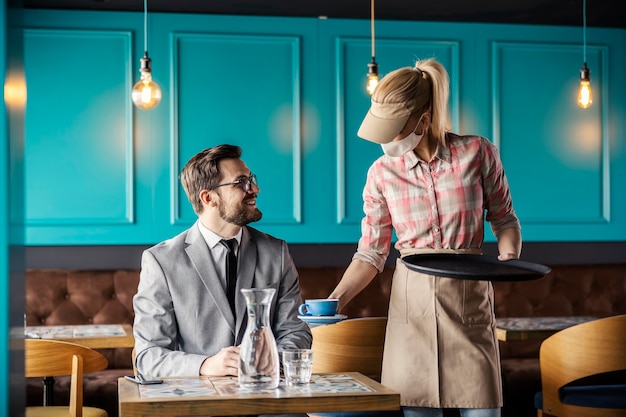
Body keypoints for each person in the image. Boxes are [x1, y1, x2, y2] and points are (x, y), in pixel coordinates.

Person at [328, 58, 522, 417]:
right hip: (410, 310)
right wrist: (335, 301)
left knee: (484, 410)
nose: (387, 140)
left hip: (469, 299)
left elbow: (504, 218)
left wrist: (509, 260)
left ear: (424, 117)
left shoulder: (478, 152)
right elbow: (371, 253)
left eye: (395, 129)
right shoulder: (381, 173)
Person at [133, 144, 312, 379]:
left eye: (251, 179)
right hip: (197, 406)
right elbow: (148, 356)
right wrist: (206, 365)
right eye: (241, 183)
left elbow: (296, 332)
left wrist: (268, 361)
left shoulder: (276, 252)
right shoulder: (161, 261)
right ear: (209, 198)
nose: (255, 189)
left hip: (266, 400)